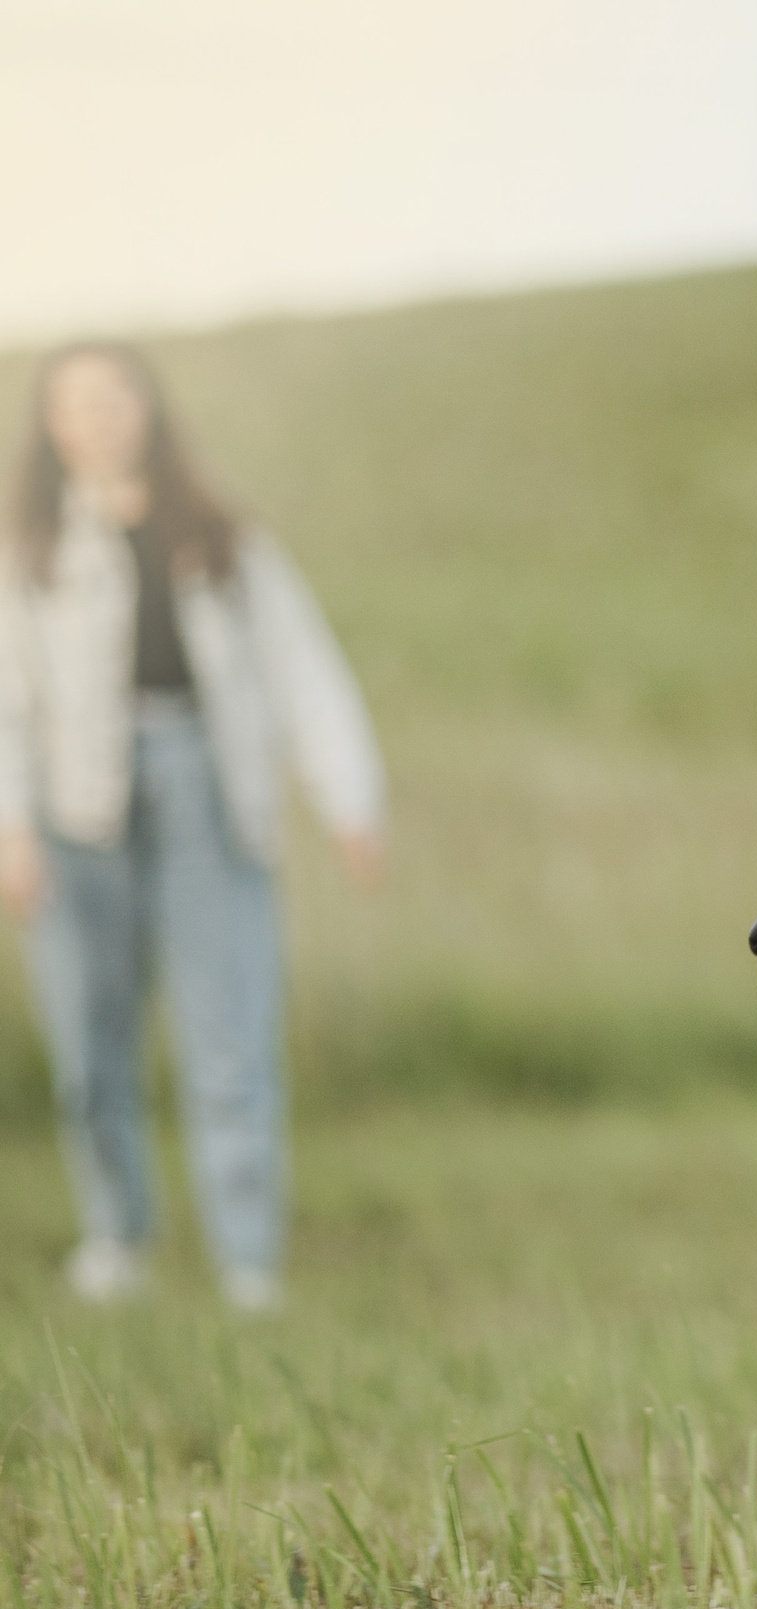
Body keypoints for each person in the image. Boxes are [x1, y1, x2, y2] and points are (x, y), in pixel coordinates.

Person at [0, 343, 384, 1311]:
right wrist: (10, 828)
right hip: (76, 807)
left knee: (231, 1031)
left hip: (209, 795)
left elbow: (303, 668)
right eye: (74, 403)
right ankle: (117, 1236)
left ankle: (248, 1260)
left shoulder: (221, 538)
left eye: (113, 395)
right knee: (92, 1037)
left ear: (148, 409)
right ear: (52, 425)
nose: (96, 417)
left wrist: (348, 799)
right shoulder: (29, 548)